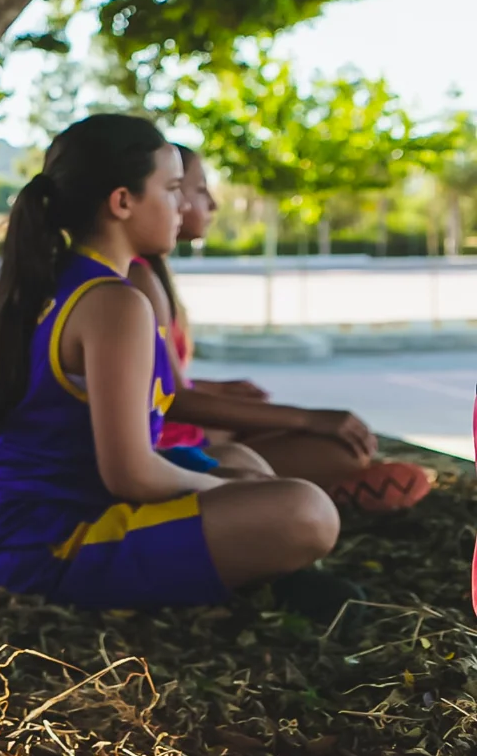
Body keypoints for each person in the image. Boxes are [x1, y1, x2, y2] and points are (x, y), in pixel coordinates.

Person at [0, 114, 351, 616]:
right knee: (307, 512)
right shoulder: (115, 303)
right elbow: (131, 475)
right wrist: (224, 490)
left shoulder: (67, 279)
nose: (183, 205)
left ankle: (269, 577)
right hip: (55, 546)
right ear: (122, 202)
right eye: (172, 189)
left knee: (247, 465)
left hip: (32, 528)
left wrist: (234, 482)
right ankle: (271, 579)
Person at [127, 145, 432, 513]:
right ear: (125, 200)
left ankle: (302, 491)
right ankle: (314, 498)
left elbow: (145, 382)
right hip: (162, 448)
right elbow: (173, 399)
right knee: (334, 450)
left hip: (174, 434)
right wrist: (310, 418)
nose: (210, 204)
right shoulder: (135, 279)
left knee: (270, 425)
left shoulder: (148, 275)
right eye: (192, 189)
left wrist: (216, 389)